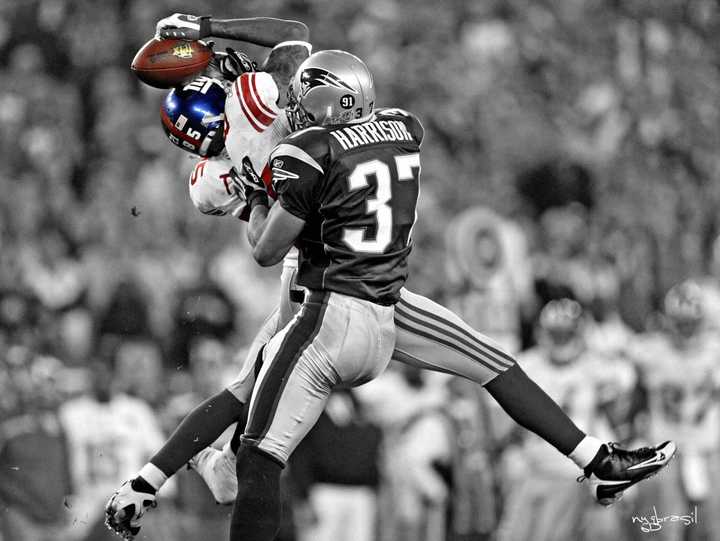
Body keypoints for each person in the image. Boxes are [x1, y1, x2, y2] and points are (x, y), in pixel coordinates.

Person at [106, 14, 676, 539]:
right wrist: (218, 36)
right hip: (389, 303)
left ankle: (161, 477)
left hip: (324, 312)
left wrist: (253, 193)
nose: (295, 106)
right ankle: (599, 460)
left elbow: (264, 247)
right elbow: (294, 45)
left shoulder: (280, 159)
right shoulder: (404, 127)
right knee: (496, 365)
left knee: (259, 445)